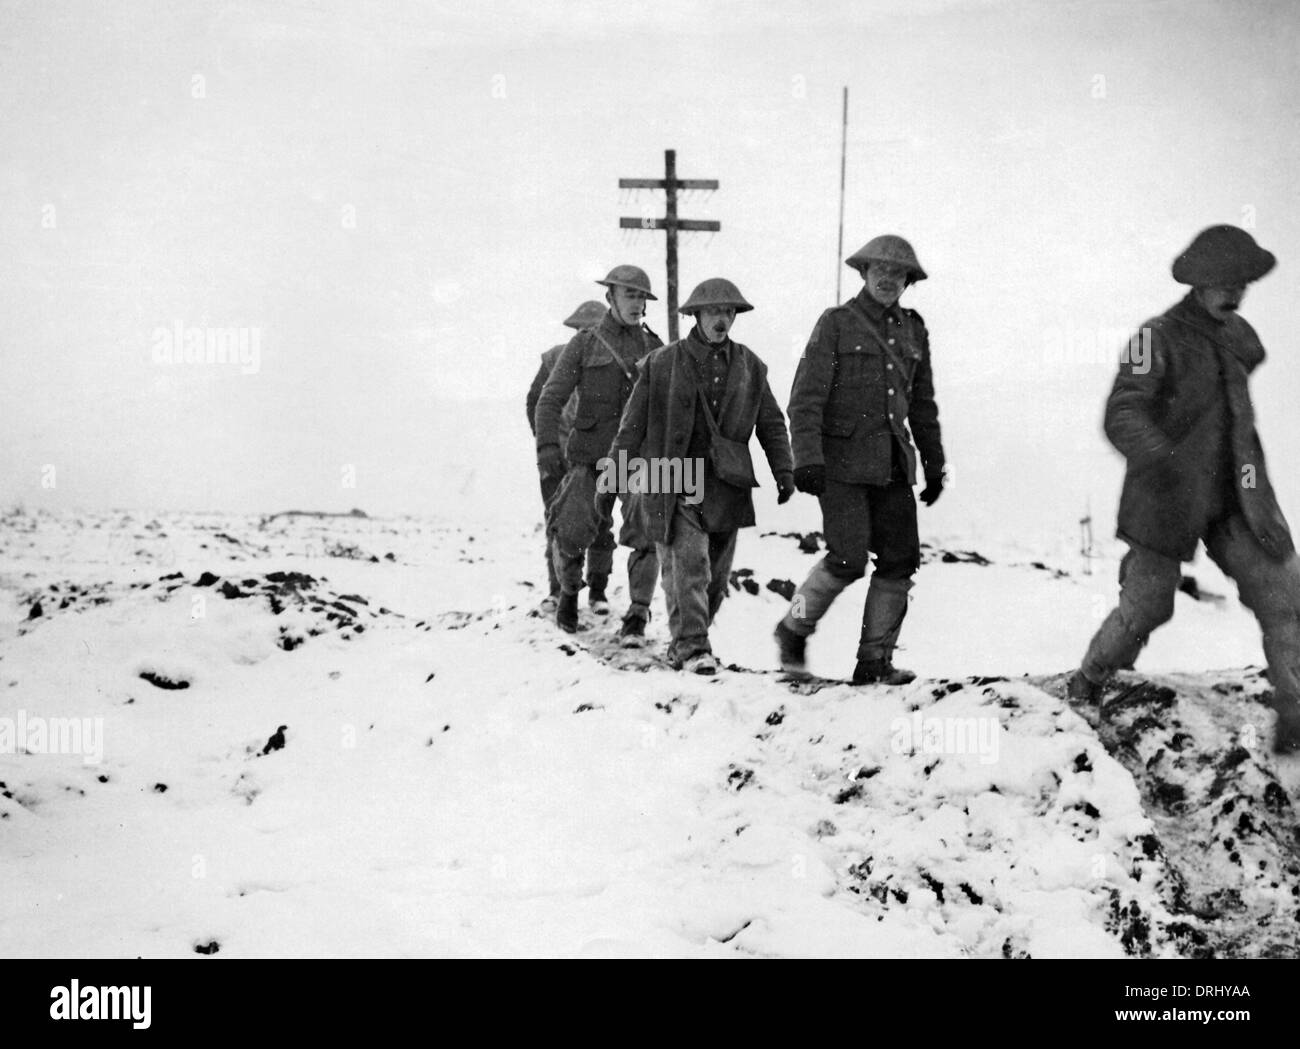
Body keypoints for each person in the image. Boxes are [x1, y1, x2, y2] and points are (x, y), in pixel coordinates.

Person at [1068, 225, 1300, 755]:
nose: (1235, 292)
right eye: (1223, 281)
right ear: (1198, 282)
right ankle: (1091, 682)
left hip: (1237, 497)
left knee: (1284, 594)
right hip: (1166, 499)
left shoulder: (1237, 339)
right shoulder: (1156, 338)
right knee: (1148, 606)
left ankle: (1296, 724)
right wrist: (1166, 460)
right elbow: (1123, 411)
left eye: (1242, 281)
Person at [775, 235, 946, 684]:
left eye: (898, 273)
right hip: (841, 464)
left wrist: (934, 463)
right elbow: (805, 398)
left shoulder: (914, 329)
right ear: (864, 274)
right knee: (847, 559)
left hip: (892, 463)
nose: (888, 279)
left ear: (909, 280)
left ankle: (874, 662)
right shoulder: (836, 323)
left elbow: (922, 403)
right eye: (880, 271)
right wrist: (806, 458)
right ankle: (792, 626)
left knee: (900, 560)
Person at [606, 278, 794, 674]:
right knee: (688, 564)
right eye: (713, 311)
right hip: (673, 480)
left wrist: (784, 470)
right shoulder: (662, 363)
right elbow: (631, 426)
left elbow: (772, 423)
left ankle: (686, 641)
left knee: (716, 580)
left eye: (728, 311)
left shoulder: (750, 366)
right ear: (696, 315)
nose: (722, 318)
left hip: (726, 484)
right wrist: (613, 476)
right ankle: (693, 647)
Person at [534, 266, 663, 634]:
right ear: (610, 297)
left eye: (642, 297)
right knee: (571, 528)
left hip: (635, 461)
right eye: (630, 295)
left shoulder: (654, 347)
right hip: (589, 457)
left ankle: (638, 613)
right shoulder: (584, 343)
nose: (637, 304)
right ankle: (570, 596)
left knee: (647, 530)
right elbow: (549, 399)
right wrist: (546, 447)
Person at [525, 300, 606, 614]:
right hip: (558, 455)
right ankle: (559, 589)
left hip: (597, 455)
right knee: (557, 520)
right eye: (581, 329)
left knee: (600, 519)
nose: (586, 334)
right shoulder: (555, 358)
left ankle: (598, 591)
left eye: (594, 328)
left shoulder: (611, 363)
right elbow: (536, 401)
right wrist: (546, 443)